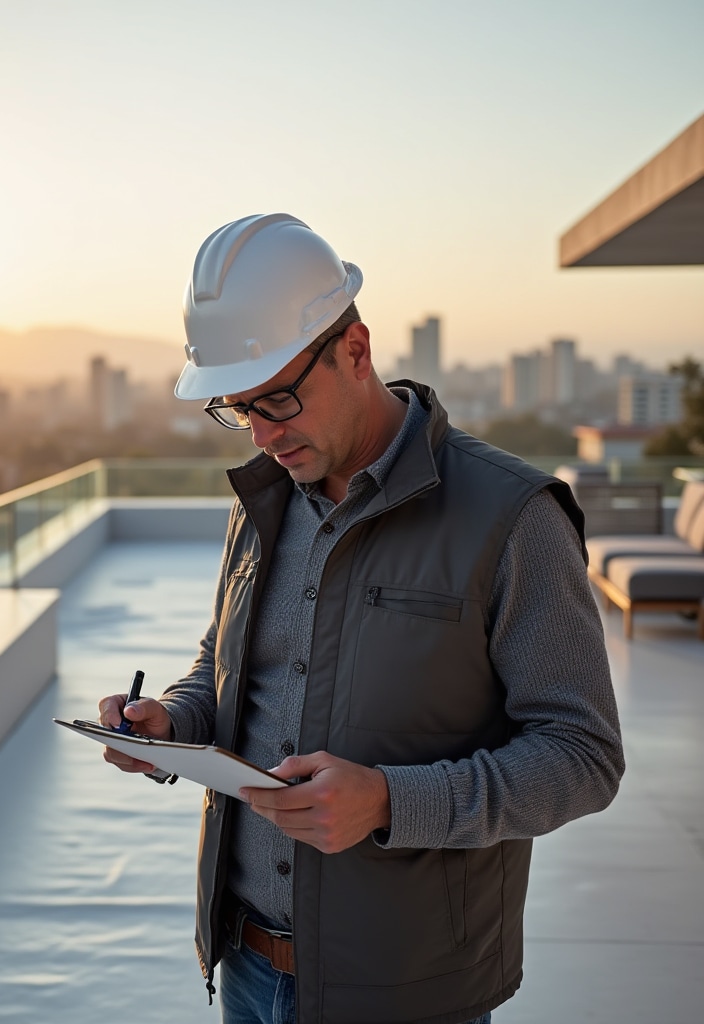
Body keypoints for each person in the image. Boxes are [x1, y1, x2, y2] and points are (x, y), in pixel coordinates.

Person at [97, 213, 624, 1024]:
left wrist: (388, 801)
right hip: (246, 966)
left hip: (409, 986)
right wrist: (171, 722)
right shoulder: (264, 503)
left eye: (280, 398)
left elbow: (583, 756)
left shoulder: (513, 516)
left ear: (355, 349)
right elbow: (230, 665)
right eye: (239, 409)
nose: (264, 434)